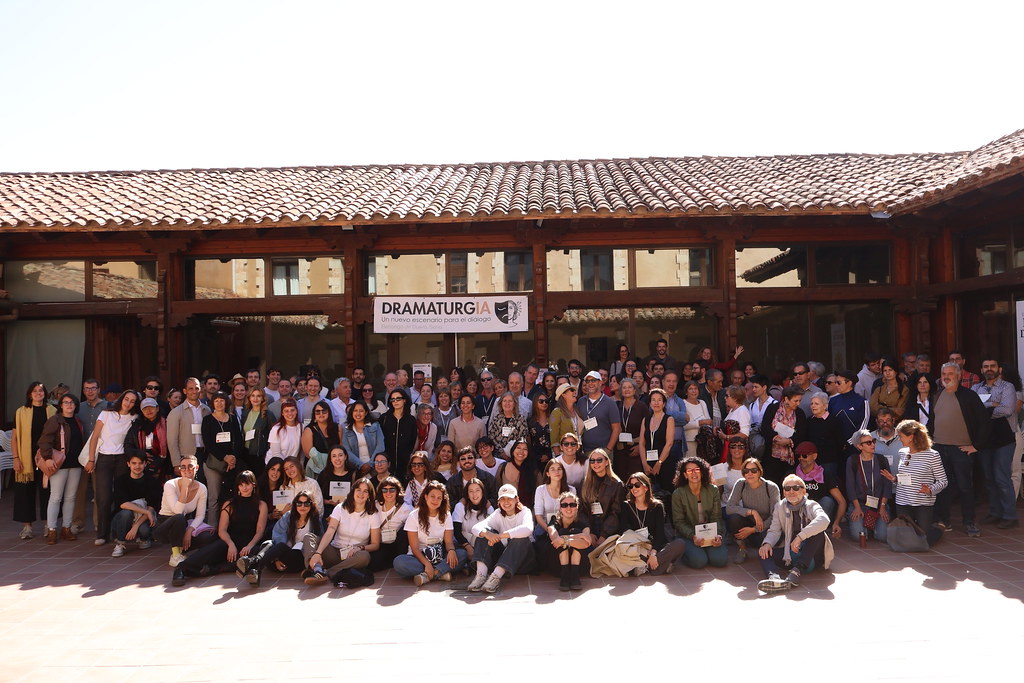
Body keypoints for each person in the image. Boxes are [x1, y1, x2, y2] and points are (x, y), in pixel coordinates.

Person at [172, 470, 268, 586]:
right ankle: (181, 569)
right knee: (209, 551)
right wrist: (230, 544)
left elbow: (260, 530)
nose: (244, 488)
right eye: (241, 485)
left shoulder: (261, 505)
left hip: (249, 543)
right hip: (229, 541)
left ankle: (213, 569)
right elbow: (222, 530)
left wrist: (249, 546)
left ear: (253, 485)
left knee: (252, 557)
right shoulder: (229, 504)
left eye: (247, 484)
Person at [932, 362, 989, 537]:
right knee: (942, 487)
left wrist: (976, 446)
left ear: (958, 376)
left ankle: (969, 522)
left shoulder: (969, 396)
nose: (946, 377)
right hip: (939, 448)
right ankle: (944, 520)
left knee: (965, 487)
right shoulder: (937, 395)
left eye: (950, 374)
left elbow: (984, 422)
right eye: (944, 374)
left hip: (961, 449)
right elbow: (932, 421)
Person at [756, 474, 834, 593]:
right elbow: (775, 530)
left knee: (818, 532)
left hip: (810, 557)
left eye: (796, 488)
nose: (791, 491)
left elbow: (824, 520)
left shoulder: (812, 505)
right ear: (784, 492)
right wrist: (767, 543)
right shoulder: (779, 507)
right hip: (790, 554)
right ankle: (775, 580)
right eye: (787, 488)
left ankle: (796, 572)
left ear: (804, 491)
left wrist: (800, 537)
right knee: (763, 552)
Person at [880, 420, 947, 547]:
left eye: (901, 436)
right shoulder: (902, 452)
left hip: (923, 502)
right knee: (905, 538)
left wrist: (930, 489)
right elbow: (907, 477)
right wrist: (894, 479)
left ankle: (938, 529)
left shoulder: (932, 455)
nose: (899, 439)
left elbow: (943, 481)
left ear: (911, 437)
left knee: (923, 541)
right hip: (902, 500)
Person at [85, 389, 140, 545]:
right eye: (126, 399)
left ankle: (118, 532)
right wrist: (91, 460)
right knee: (103, 497)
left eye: (132, 401)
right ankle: (102, 534)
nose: (128, 403)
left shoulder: (134, 417)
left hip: (122, 459)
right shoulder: (106, 414)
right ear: (121, 398)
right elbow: (95, 437)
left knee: (120, 497)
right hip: (104, 458)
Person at [305, 477, 381, 586]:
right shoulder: (340, 508)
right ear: (353, 491)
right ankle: (315, 568)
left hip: (353, 556)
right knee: (309, 537)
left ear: (369, 495)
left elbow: (375, 544)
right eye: (358, 490)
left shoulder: (373, 514)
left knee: (365, 556)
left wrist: (360, 548)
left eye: (365, 491)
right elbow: (330, 531)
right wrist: (318, 553)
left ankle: (327, 572)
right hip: (334, 551)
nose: (361, 494)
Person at [239, 489, 324, 585]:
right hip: (278, 561)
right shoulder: (288, 516)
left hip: (298, 561)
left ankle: (253, 565)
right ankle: (255, 570)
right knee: (268, 544)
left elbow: (318, 541)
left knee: (280, 547)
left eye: (306, 504)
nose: (302, 506)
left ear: (311, 505)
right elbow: (278, 536)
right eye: (299, 503)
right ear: (295, 504)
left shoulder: (315, 520)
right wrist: (276, 559)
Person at [972, 358, 1019, 529]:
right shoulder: (976, 388)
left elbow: (1007, 409)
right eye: (986, 366)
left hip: (1004, 438)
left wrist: (983, 409)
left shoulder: (1007, 387)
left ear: (999, 369)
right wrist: (992, 404)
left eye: (992, 366)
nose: (989, 369)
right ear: (981, 370)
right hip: (984, 439)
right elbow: (971, 409)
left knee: (1001, 476)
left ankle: (1010, 515)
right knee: (989, 478)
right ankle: (995, 512)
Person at [394, 480, 467, 586]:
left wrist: (451, 550)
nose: (435, 500)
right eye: (432, 496)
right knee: (399, 562)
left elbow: (448, 542)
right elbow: (414, 548)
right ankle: (441, 572)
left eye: (439, 498)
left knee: (461, 554)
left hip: (440, 554)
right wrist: (427, 564)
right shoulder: (414, 516)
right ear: (426, 496)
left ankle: (430, 575)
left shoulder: (446, 515)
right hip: (419, 557)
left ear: (442, 500)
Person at [467, 484, 536, 593]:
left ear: (516, 499)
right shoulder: (498, 513)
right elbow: (475, 528)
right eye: (503, 499)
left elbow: (528, 529)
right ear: (499, 502)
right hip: (503, 560)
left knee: (521, 538)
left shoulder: (525, 511)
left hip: (524, 560)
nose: (506, 502)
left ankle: (495, 577)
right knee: (483, 533)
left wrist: (501, 536)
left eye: (509, 498)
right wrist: (487, 534)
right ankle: (481, 575)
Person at [36, 392, 84, 544]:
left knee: (70, 497)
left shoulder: (78, 421)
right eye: (66, 402)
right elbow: (44, 441)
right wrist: (48, 458)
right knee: (56, 497)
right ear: (61, 405)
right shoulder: (55, 420)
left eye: (72, 402)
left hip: (75, 464)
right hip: (59, 464)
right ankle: (52, 530)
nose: (69, 405)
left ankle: (66, 528)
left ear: (76, 405)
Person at [12, 382, 56, 541]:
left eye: (41, 390)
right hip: (26, 458)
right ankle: (27, 527)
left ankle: (48, 524)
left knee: (47, 491)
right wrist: (16, 458)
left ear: (45, 393)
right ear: (29, 394)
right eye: (35, 391)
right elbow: (15, 438)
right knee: (25, 492)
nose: (38, 393)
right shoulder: (21, 412)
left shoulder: (52, 410)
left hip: (46, 457)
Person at [619, 472, 684, 574]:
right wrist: (644, 550)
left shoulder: (657, 506)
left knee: (680, 543)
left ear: (646, 487)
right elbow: (624, 530)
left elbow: (660, 533)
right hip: (637, 548)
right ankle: (659, 566)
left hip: (655, 546)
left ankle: (648, 566)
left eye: (637, 485)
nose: (633, 488)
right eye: (630, 486)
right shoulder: (626, 506)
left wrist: (653, 552)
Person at [154, 455, 213, 567]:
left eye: (190, 466)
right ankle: (175, 555)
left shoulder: (202, 488)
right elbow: (178, 511)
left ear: (197, 467)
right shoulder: (170, 485)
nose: (186, 470)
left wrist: (189, 531)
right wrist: (185, 488)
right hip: (164, 526)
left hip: (182, 526)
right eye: (183, 467)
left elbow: (200, 515)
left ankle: (182, 550)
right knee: (179, 518)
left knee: (208, 537)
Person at [671, 456, 728, 569]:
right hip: (689, 535)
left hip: (709, 532)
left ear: (702, 472)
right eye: (689, 470)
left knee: (720, 560)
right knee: (699, 562)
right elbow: (679, 522)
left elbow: (717, 517)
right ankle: (684, 551)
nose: (694, 473)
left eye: (697, 469)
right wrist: (693, 536)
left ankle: (705, 550)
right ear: (685, 475)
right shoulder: (678, 494)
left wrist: (718, 535)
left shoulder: (713, 490)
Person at [200, 391, 244, 528]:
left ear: (226, 402)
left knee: (231, 495)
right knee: (214, 496)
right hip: (213, 463)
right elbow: (208, 443)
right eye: (216, 400)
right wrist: (224, 457)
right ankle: (212, 526)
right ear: (212, 403)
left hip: (231, 464)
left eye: (222, 400)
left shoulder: (232, 418)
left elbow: (238, 440)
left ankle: (229, 525)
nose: (219, 403)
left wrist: (233, 458)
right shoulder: (207, 420)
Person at [725, 457, 780, 564]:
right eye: (746, 471)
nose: (750, 474)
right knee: (734, 519)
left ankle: (759, 547)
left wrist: (753, 530)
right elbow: (729, 507)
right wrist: (752, 512)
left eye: (753, 470)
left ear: (759, 472)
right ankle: (742, 548)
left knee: (762, 540)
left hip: (766, 526)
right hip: (749, 521)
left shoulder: (771, 487)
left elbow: (775, 516)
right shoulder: (741, 484)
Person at [109, 453, 162, 557]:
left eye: (140, 463)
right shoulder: (121, 480)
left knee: (144, 531)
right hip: (123, 518)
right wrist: (146, 511)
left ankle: (143, 538)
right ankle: (120, 543)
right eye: (134, 463)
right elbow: (123, 504)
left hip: (143, 518)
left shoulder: (152, 481)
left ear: (145, 464)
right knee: (126, 513)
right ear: (128, 464)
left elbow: (151, 507)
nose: (137, 466)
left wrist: (136, 525)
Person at [845, 429, 893, 544]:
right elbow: (850, 486)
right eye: (868, 443)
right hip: (860, 503)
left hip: (879, 503)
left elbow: (887, 485)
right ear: (859, 446)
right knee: (858, 536)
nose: (873, 445)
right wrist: (857, 507)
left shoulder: (881, 460)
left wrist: (883, 507)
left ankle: (873, 526)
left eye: (873, 441)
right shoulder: (853, 461)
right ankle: (866, 525)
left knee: (882, 536)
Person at [537, 490, 592, 590]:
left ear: (577, 507)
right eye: (564, 505)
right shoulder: (554, 522)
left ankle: (574, 575)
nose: (568, 508)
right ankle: (565, 575)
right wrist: (579, 536)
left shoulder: (582, 522)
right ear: (560, 508)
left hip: (579, 568)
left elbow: (587, 542)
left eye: (572, 505)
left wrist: (565, 540)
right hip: (557, 567)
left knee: (575, 531)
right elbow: (555, 539)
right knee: (563, 531)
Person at [579, 448, 623, 544]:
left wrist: (604, 535)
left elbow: (616, 512)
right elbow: (581, 510)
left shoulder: (617, 484)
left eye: (599, 460)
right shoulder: (584, 483)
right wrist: (588, 532)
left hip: (609, 530)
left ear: (607, 462)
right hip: (589, 528)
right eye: (592, 460)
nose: (596, 463)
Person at [369, 476, 413, 571]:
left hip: (397, 544)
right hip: (380, 543)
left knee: (404, 531)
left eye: (392, 490)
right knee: (373, 564)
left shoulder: (406, 508)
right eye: (385, 490)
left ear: (397, 491)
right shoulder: (375, 506)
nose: (388, 493)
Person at [577, 371, 621, 456]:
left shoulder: (610, 403)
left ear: (600, 383)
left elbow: (616, 428)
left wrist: (608, 450)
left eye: (593, 380)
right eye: (588, 381)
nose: (590, 383)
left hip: (603, 451)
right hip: (584, 451)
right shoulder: (581, 401)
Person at [638, 387, 675, 488]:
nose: (656, 403)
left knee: (665, 491)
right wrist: (644, 463)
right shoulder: (645, 420)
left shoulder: (669, 419)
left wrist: (659, 463)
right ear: (650, 403)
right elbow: (641, 443)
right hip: (647, 463)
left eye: (659, 400)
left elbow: (669, 443)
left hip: (664, 462)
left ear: (664, 403)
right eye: (653, 400)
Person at [613, 378, 648, 481]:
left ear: (634, 390)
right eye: (624, 387)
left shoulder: (642, 407)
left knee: (636, 480)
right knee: (621, 480)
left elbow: (648, 429)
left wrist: (640, 447)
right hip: (620, 450)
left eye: (629, 387)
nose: (627, 390)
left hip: (636, 449)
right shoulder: (617, 406)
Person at [805, 394, 845, 482]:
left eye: (816, 404)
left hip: (829, 461)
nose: (813, 406)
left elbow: (839, 442)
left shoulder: (834, 421)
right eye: (812, 404)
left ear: (825, 406)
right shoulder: (808, 421)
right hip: (812, 461)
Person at [452, 478, 493, 563]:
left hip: (481, 546)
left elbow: (492, 530)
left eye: (477, 490)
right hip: (462, 545)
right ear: (467, 494)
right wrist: (468, 547)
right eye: (471, 491)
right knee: (461, 554)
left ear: (482, 492)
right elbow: (456, 532)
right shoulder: (460, 506)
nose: (474, 494)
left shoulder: (488, 508)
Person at [533, 458, 575, 539]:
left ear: (563, 472)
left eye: (559, 469)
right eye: (553, 469)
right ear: (547, 473)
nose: (557, 472)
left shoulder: (571, 490)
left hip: (565, 526)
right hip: (545, 526)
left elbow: (574, 513)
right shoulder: (540, 490)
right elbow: (538, 516)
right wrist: (550, 531)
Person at [381, 389, 417, 476]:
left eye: (398, 399)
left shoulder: (411, 420)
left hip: (404, 463)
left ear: (404, 400)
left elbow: (412, 440)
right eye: (393, 399)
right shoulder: (384, 418)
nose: (395, 401)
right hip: (387, 462)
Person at [300, 400, 341, 477]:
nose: (321, 414)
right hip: (316, 470)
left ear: (329, 412)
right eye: (317, 412)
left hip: (336, 466)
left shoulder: (338, 428)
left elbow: (341, 448)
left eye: (324, 411)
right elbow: (308, 453)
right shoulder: (309, 430)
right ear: (314, 414)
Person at [342, 400, 383, 471]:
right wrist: (361, 465)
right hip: (355, 468)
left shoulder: (375, 426)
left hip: (375, 466)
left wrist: (370, 464)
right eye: (355, 411)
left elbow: (380, 446)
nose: (358, 413)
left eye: (361, 411)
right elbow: (347, 451)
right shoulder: (347, 430)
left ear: (366, 413)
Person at [495, 439, 537, 509]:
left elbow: (538, 495)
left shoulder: (534, 471)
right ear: (513, 450)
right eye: (518, 448)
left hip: (527, 511)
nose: (521, 451)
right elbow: (496, 489)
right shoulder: (503, 467)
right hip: (506, 509)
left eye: (525, 449)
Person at [317, 446, 357, 517]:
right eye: (334, 456)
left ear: (345, 457)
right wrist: (328, 502)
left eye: (340, 455)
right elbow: (317, 496)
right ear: (330, 459)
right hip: (329, 513)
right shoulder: (324, 475)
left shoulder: (354, 474)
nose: (337, 459)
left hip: (350, 512)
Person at [241, 387, 271, 474]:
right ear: (249, 398)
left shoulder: (267, 414)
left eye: (258, 396)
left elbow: (272, 435)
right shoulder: (245, 413)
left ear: (262, 398)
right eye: (253, 396)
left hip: (260, 454)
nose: (255, 399)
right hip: (245, 453)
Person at [549, 384, 580, 459]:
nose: (575, 392)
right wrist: (558, 457)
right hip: (563, 455)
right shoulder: (557, 412)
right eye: (571, 390)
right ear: (563, 395)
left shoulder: (577, 411)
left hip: (578, 453)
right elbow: (554, 438)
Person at [681, 380, 710, 456]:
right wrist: (700, 423)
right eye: (690, 389)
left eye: (695, 388)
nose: (693, 391)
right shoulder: (682, 403)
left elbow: (708, 421)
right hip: (690, 441)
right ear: (686, 392)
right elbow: (683, 425)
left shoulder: (702, 403)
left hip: (704, 440)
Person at [527, 391, 553, 467]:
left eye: (546, 401)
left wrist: (548, 455)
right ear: (535, 403)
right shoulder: (530, 422)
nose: (544, 403)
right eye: (541, 401)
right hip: (535, 459)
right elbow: (529, 442)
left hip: (552, 457)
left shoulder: (553, 420)